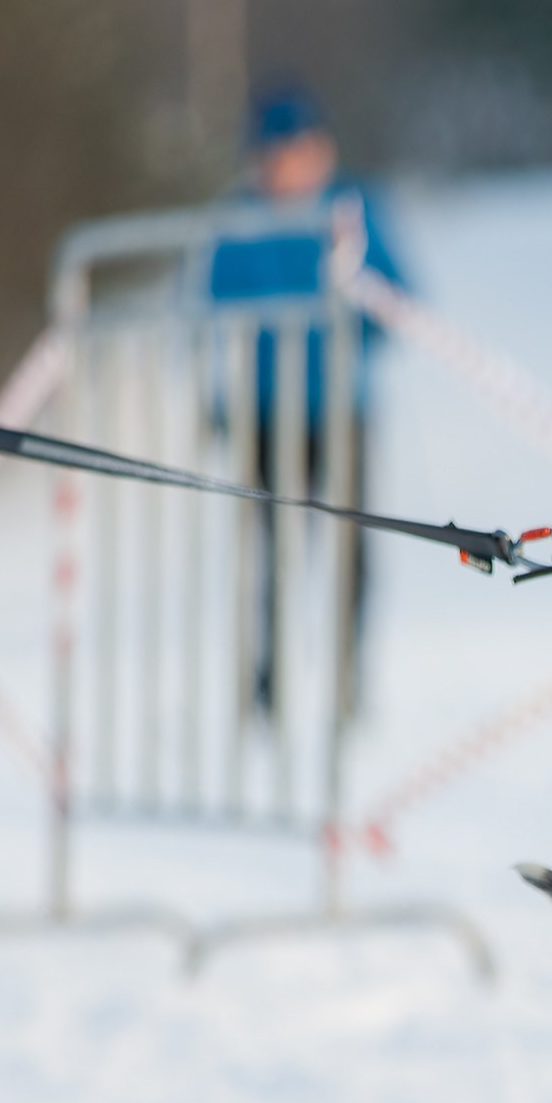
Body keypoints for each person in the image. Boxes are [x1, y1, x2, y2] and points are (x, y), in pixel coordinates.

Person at [208, 85, 406, 717]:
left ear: (323, 151)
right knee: (272, 557)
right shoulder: (240, 218)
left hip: (342, 414)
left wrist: (365, 317)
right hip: (267, 417)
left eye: (301, 152)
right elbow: (214, 310)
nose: (289, 167)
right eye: (276, 155)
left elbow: (396, 298)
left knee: (352, 555)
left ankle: (347, 679)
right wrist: (219, 402)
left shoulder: (353, 210)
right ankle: (270, 681)